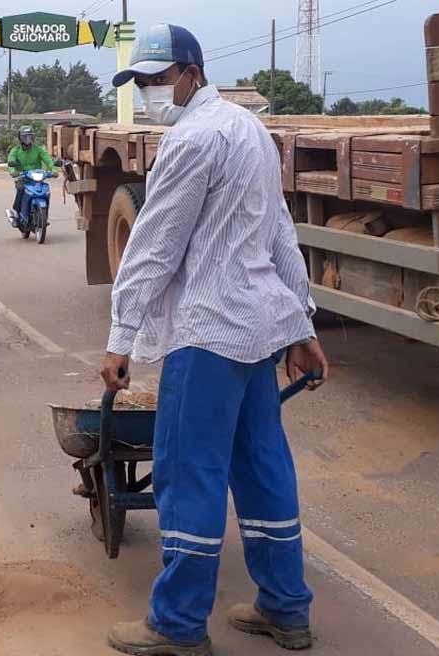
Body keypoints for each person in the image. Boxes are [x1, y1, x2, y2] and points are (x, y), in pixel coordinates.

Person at [100, 23, 329, 656]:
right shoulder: (251, 132)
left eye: (157, 78)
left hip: (206, 334)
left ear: (191, 73)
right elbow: (280, 232)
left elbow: (153, 247)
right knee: (261, 467)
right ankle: (286, 608)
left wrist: (121, 338)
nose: (149, 91)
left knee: (188, 474)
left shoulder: (190, 140)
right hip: (257, 333)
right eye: (140, 83)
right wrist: (301, 325)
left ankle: (176, 625)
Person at [6, 126, 54, 227]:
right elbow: (11, 162)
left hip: (37, 178)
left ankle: (44, 217)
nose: (27, 139)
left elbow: (48, 159)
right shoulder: (15, 150)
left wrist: (53, 170)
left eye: (30, 136)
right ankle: (16, 213)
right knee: (20, 189)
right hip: (23, 178)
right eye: (25, 137)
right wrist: (13, 171)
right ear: (20, 138)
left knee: (46, 191)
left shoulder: (38, 149)